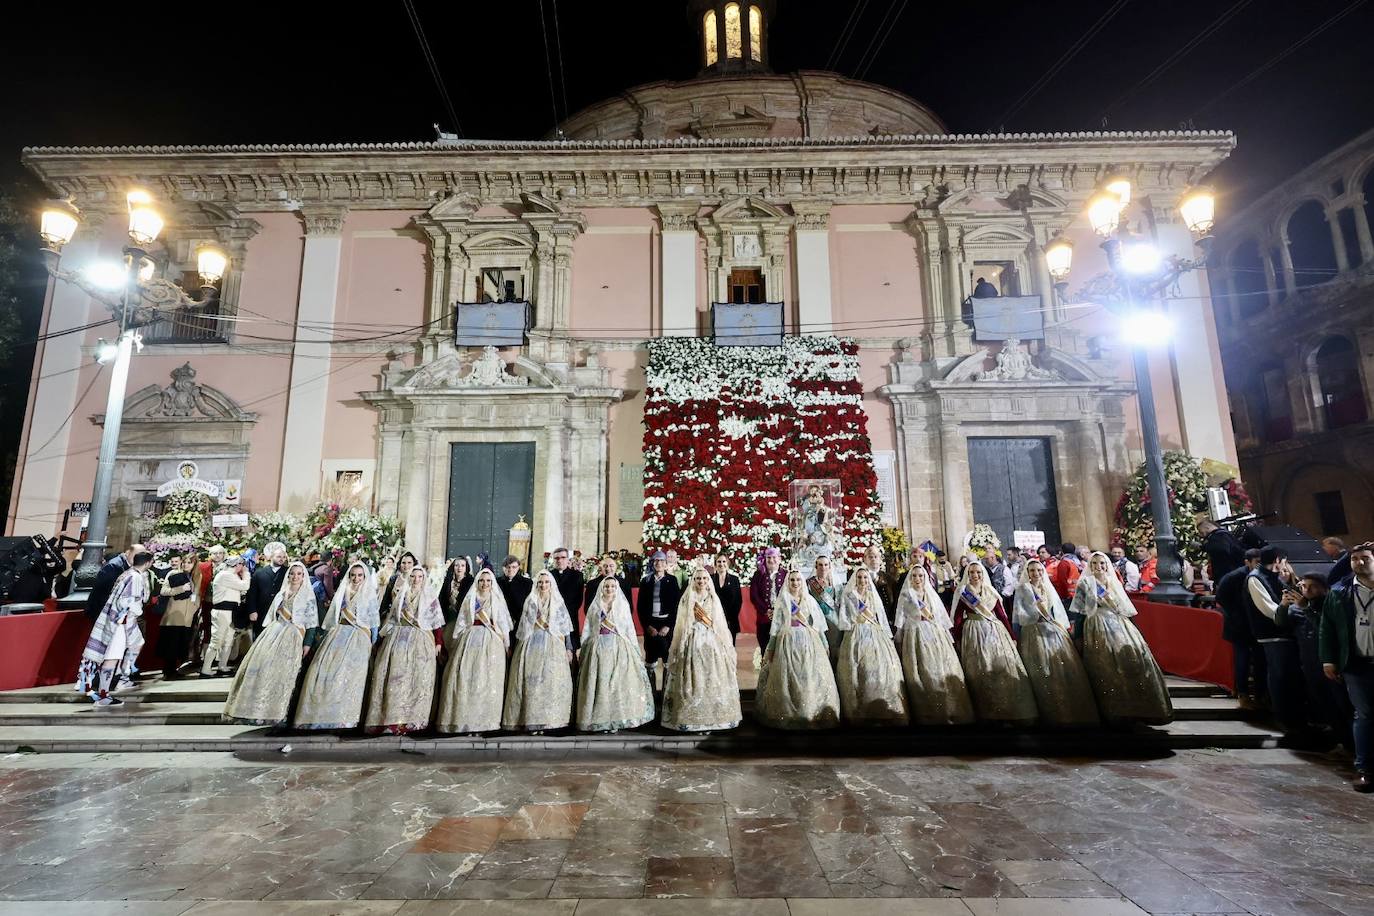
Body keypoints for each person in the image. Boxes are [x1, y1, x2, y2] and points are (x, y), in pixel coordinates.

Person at [1071, 552, 1173, 725]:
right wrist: (1078, 636)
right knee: (1103, 663)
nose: (1099, 566)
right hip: (1096, 624)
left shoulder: (1113, 582)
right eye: (1094, 563)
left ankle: (1137, 707)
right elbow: (1080, 612)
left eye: (1102, 563)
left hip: (1119, 624)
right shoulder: (1085, 583)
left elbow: (1124, 606)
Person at [223, 561, 319, 727]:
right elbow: (273, 616)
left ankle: (284, 715)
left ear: (304, 576)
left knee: (287, 676)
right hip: (274, 634)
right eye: (292, 573)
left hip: (295, 637)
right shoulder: (281, 594)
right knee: (266, 671)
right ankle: (263, 712)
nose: (295, 577)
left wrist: (307, 643)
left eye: (299, 574)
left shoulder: (308, 596)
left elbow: (311, 623)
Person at [1013, 559, 1099, 729]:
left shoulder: (1048, 588)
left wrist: (1059, 626)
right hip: (1033, 631)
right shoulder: (1023, 589)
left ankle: (1064, 705)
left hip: (1051, 630)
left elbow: (1057, 610)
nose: (1036, 573)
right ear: (1027, 573)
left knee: (1059, 666)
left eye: (1038, 570)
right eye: (1032, 571)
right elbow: (1018, 612)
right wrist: (1032, 618)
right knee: (1039, 668)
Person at [295, 561, 379, 730]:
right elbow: (333, 616)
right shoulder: (342, 593)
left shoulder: (369, 594)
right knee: (327, 673)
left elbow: (373, 622)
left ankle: (349, 717)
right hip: (339, 634)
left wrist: (373, 642)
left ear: (365, 577)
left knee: (353, 676)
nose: (356, 578)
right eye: (353, 575)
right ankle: (324, 715)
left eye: (360, 575)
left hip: (359, 638)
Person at [951, 562, 1038, 726]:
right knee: (980, 669)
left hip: (994, 632)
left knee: (1000, 667)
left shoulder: (991, 591)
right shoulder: (963, 592)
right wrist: (956, 635)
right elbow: (957, 616)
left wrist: (1012, 635)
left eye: (978, 572)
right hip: (973, 632)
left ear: (982, 574)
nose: (975, 575)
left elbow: (1001, 615)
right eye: (971, 572)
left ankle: (1006, 708)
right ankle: (986, 711)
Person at [755, 568, 841, 729]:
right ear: (788, 582)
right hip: (787, 641)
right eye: (792, 580)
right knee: (789, 678)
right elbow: (776, 628)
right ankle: (790, 713)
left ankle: (810, 712)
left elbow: (818, 625)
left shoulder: (809, 601)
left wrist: (825, 644)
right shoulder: (783, 601)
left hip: (809, 642)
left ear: (802, 582)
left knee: (809, 676)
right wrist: (771, 650)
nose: (795, 583)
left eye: (798, 580)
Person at [1320, 542, 1374, 792]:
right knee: (1364, 716)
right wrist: (1328, 659)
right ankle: (1364, 769)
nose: (1359, 563)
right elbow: (1327, 627)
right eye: (1354, 559)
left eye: (1365, 558)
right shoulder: (1340, 592)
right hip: (1357, 663)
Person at [365, 565, 445, 734]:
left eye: (419, 577)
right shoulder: (401, 596)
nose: (416, 580)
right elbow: (392, 619)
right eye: (413, 577)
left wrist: (438, 642)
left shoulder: (430, 597)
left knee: (417, 680)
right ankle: (392, 721)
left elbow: (436, 623)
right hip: (398, 639)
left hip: (421, 640)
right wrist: (379, 639)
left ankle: (414, 721)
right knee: (396, 679)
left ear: (424, 579)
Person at [662, 567, 743, 732]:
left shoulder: (713, 598)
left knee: (711, 676)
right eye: (698, 579)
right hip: (692, 640)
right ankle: (691, 717)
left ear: (708, 581)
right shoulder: (688, 598)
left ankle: (713, 717)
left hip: (710, 641)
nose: (701, 581)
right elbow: (682, 622)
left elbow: (718, 622)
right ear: (694, 580)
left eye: (704, 579)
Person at [1244, 546, 1313, 741]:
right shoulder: (1255, 578)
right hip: (1272, 635)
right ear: (1277, 560)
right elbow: (1270, 610)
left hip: (1284, 634)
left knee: (1289, 678)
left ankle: (1296, 720)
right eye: (1283, 561)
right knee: (1280, 677)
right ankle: (1286, 720)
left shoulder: (1272, 577)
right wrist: (1292, 609)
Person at [893, 565, 974, 725]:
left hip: (934, 634)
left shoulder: (931, 593)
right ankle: (927, 712)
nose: (917, 579)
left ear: (925, 578)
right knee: (922, 670)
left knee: (940, 668)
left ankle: (949, 709)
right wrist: (898, 638)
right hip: (914, 634)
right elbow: (900, 618)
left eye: (921, 576)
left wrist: (948, 635)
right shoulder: (906, 594)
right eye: (914, 576)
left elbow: (940, 616)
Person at [436, 568, 514, 734]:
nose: (485, 584)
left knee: (488, 681)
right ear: (477, 582)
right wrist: (456, 641)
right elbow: (462, 621)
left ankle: (485, 722)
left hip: (491, 641)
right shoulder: (471, 599)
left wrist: (507, 644)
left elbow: (502, 624)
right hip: (470, 640)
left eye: (488, 581)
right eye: (482, 581)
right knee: (467, 679)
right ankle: (465, 719)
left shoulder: (497, 599)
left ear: (492, 583)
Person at [1280, 572, 1352, 747]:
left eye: (1312, 586)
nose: (1307, 590)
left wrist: (1306, 608)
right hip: (1311, 664)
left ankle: (1352, 745)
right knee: (1324, 705)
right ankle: (1341, 741)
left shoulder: (1331, 604)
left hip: (1332, 663)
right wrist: (1283, 606)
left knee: (1343, 705)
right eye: (1304, 586)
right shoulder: (1298, 607)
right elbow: (1281, 623)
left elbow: (1327, 630)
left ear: (1324, 588)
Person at [577, 577, 655, 732]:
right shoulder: (595, 606)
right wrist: (584, 647)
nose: (609, 589)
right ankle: (601, 719)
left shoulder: (622, 605)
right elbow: (588, 627)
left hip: (619, 648)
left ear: (616, 588)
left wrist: (635, 649)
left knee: (617, 685)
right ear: (602, 588)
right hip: (599, 648)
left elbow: (628, 628)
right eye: (606, 586)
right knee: (600, 684)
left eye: (613, 586)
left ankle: (617, 719)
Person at [77, 550, 154, 706]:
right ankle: (107, 692)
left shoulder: (127, 573)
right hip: (121, 623)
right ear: (147, 563)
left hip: (117, 621)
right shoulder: (136, 577)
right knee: (112, 659)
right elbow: (129, 601)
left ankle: (116, 682)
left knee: (130, 648)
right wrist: (137, 610)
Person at [835, 566, 909, 727]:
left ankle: (882, 707)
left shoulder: (872, 595)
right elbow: (844, 616)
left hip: (875, 633)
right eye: (859, 577)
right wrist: (853, 625)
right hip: (855, 634)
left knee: (879, 669)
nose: (862, 580)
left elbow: (880, 616)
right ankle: (860, 710)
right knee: (859, 670)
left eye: (865, 578)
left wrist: (888, 636)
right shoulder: (849, 595)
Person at [502, 569, 575, 732]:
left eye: (546, 582)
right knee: (531, 681)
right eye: (540, 582)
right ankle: (531, 719)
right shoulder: (531, 600)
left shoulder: (557, 601)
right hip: (531, 644)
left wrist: (569, 648)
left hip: (553, 644)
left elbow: (565, 628)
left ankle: (549, 720)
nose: (543, 585)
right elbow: (524, 624)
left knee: (550, 681)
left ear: (551, 584)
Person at [1215, 548, 1264, 704]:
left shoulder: (1258, 575)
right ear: (1247, 562)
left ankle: (1260, 693)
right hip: (1239, 624)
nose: (1259, 566)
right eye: (1256, 562)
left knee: (1259, 659)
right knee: (1242, 658)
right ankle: (1242, 692)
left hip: (1256, 624)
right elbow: (1221, 597)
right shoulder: (1234, 577)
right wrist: (1236, 613)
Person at [637, 551, 682, 689]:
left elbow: (676, 606)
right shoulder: (646, 581)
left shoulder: (672, 580)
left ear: (666, 563)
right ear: (652, 563)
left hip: (666, 625)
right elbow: (641, 607)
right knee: (650, 659)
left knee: (668, 659)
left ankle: (666, 694)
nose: (659, 564)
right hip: (651, 625)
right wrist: (648, 626)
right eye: (656, 561)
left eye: (662, 561)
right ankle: (651, 693)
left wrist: (668, 626)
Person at [156, 552, 201, 680]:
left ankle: (174, 670)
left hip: (187, 616)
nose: (186, 565)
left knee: (180, 644)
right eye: (185, 562)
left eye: (189, 562)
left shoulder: (195, 576)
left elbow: (196, 595)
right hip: (174, 616)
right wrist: (181, 588)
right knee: (170, 644)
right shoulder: (174, 573)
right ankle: (168, 671)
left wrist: (194, 607)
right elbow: (163, 591)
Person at [203, 555, 250, 677]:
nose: (243, 567)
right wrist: (246, 574)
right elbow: (245, 586)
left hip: (231, 611)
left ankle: (222, 666)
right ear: (237, 565)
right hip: (223, 611)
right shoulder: (225, 575)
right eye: (242, 565)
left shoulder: (232, 576)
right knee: (217, 640)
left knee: (228, 640)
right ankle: (205, 669)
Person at [84, 543, 144, 620]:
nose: (138, 558)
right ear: (128, 552)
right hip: (102, 611)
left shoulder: (126, 565)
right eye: (136, 555)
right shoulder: (114, 565)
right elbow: (103, 591)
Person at [806, 553, 843, 665]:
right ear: (816, 567)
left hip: (833, 620)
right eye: (820, 565)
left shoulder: (836, 583)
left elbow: (840, 602)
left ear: (829, 566)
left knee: (834, 647)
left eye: (826, 565)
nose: (823, 568)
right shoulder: (809, 583)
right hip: (816, 620)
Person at [548, 547, 586, 652]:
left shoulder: (577, 575)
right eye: (556, 558)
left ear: (568, 559)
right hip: (552, 616)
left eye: (563, 557)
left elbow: (579, 599)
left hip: (570, 615)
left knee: (572, 648)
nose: (559, 560)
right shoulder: (548, 575)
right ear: (553, 560)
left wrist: (565, 612)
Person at [750, 547, 786, 653]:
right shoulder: (758, 575)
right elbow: (754, 596)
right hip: (763, 618)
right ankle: (765, 669)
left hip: (782, 618)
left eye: (774, 557)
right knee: (765, 647)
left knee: (781, 648)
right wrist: (766, 611)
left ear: (779, 559)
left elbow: (789, 596)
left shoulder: (786, 574)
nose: (771, 560)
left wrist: (778, 610)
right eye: (768, 557)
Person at [1198, 519, 1247, 584]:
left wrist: (1204, 547)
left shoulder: (1217, 536)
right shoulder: (1226, 535)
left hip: (1227, 574)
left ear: (1207, 527)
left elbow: (1221, 550)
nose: (1200, 534)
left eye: (1200, 531)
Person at [711, 553, 744, 643]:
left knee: (729, 647)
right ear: (715, 564)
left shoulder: (734, 580)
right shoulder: (710, 579)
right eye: (719, 562)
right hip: (714, 619)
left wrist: (729, 618)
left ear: (727, 563)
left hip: (730, 620)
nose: (721, 564)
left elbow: (738, 601)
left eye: (724, 561)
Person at [496, 556, 533, 631]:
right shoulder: (496, 582)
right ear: (503, 568)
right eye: (508, 567)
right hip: (501, 621)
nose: (510, 569)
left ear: (518, 567)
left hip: (520, 621)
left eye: (514, 567)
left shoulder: (527, 583)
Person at [378, 551, 417, 619]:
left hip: (412, 619)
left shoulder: (418, 579)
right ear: (400, 564)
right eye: (403, 563)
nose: (406, 565)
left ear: (414, 564)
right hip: (394, 617)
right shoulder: (394, 579)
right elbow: (386, 600)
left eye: (409, 563)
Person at [438, 557, 474, 626]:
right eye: (457, 565)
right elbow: (441, 599)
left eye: (462, 565)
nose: (459, 568)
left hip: (464, 618)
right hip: (448, 617)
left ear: (466, 568)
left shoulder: (471, 582)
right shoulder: (448, 581)